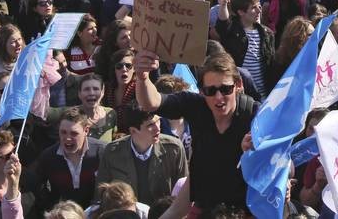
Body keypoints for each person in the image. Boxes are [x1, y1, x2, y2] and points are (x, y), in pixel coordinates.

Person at [133, 51, 255, 213]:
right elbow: (151, 102)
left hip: (244, 211)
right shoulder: (195, 106)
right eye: (211, 91)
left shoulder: (255, 114)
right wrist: (142, 77)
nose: (219, 97)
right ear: (201, 91)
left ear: (238, 85)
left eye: (226, 89)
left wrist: (257, 152)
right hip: (204, 206)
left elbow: (284, 162)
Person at [95, 105, 188, 205]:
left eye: (158, 121)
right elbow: (100, 195)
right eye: (150, 125)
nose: (157, 128)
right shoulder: (112, 152)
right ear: (133, 131)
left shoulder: (174, 148)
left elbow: (184, 191)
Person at [33, 108, 106, 208]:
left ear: (86, 130)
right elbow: (39, 188)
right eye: (63, 132)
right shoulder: (48, 157)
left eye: (74, 133)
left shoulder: (102, 152)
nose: (67, 138)